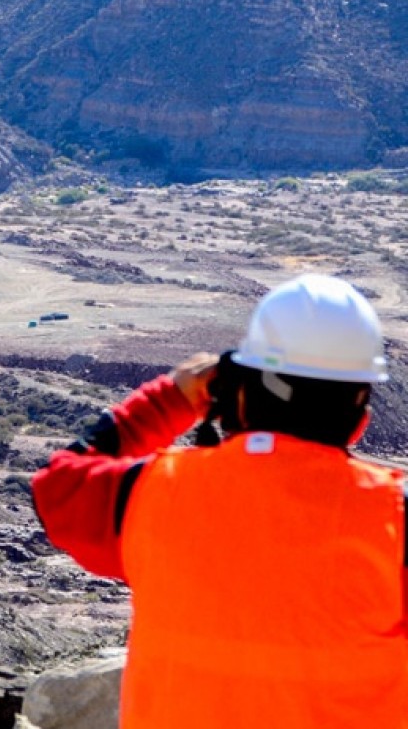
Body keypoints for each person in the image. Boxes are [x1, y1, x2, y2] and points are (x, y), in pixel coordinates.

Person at [31, 273, 408, 727]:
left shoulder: (153, 493)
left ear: (239, 395)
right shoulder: (394, 519)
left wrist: (169, 399)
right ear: (359, 417)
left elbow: (58, 488)